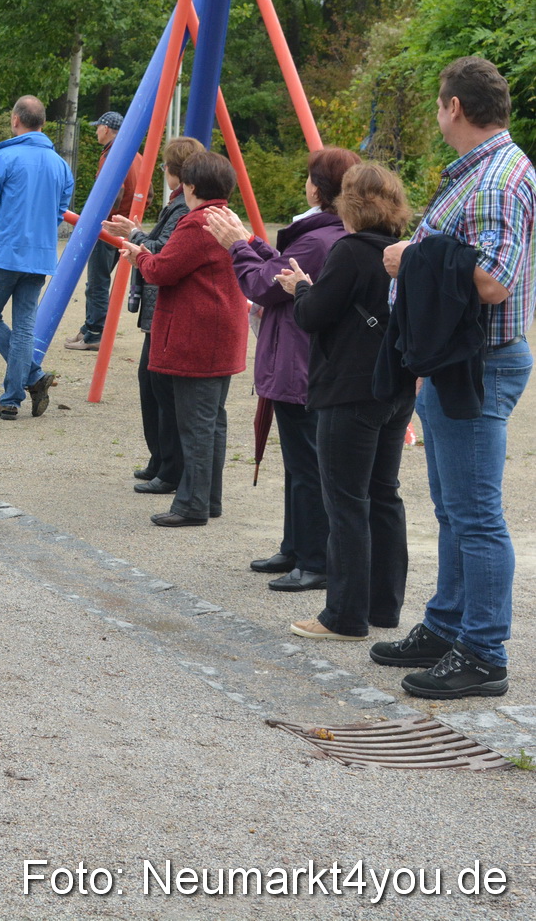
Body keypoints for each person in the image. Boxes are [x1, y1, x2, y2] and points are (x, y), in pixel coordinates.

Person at [371, 57, 535, 699]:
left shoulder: (494, 179)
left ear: (455, 108)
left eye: (439, 105)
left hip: (479, 367)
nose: (438, 115)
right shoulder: (491, 168)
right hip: (458, 363)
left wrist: (412, 256)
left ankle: (484, 653)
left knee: (475, 514)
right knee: (453, 508)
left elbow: (492, 280)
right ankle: (447, 625)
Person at [204, 148, 358, 591]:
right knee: (298, 462)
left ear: (319, 187)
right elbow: (276, 269)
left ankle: (314, 559)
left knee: (307, 465)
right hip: (301, 360)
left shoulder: (316, 238)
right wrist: (251, 243)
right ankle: (296, 546)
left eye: (310, 177)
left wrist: (236, 244)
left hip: (298, 362)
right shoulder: (326, 233)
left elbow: (261, 284)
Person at [278, 163, 415, 641]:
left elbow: (315, 315)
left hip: (349, 390)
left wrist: (300, 288)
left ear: (349, 204)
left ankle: (344, 615)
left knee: (346, 502)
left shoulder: (350, 251)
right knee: (384, 495)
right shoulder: (402, 252)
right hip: (394, 387)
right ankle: (383, 606)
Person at [119, 151, 246, 527]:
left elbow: (164, 269)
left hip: (198, 334)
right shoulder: (227, 217)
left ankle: (191, 504)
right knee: (212, 421)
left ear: (191, 185)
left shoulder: (197, 222)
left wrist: (139, 256)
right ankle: (208, 499)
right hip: (221, 331)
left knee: (196, 424)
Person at [103, 136, 201, 495]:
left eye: (166, 166)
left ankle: (170, 466)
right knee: (150, 383)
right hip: (157, 304)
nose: (162, 171)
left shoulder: (183, 210)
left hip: (164, 304)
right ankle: (160, 458)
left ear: (178, 172)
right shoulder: (176, 205)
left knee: (160, 386)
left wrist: (135, 236)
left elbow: (166, 252)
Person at [0, 96, 73, 420]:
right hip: (41, 256)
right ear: (42, 123)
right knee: (24, 329)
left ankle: (25, 383)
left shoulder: (5, 157)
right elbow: (60, 211)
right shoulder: (61, 165)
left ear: (16, 120)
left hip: (5, 252)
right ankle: (15, 394)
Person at [67, 111, 132, 351]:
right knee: (98, 280)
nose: (96, 131)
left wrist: (101, 220)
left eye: (98, 127)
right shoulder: (135, 153)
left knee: (96, 282)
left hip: (108, 229)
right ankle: (88, 327)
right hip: (124, 227)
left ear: (106, 128)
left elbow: (116, 191)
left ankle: (94, 334)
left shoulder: (112, 155)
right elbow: (150, 194)